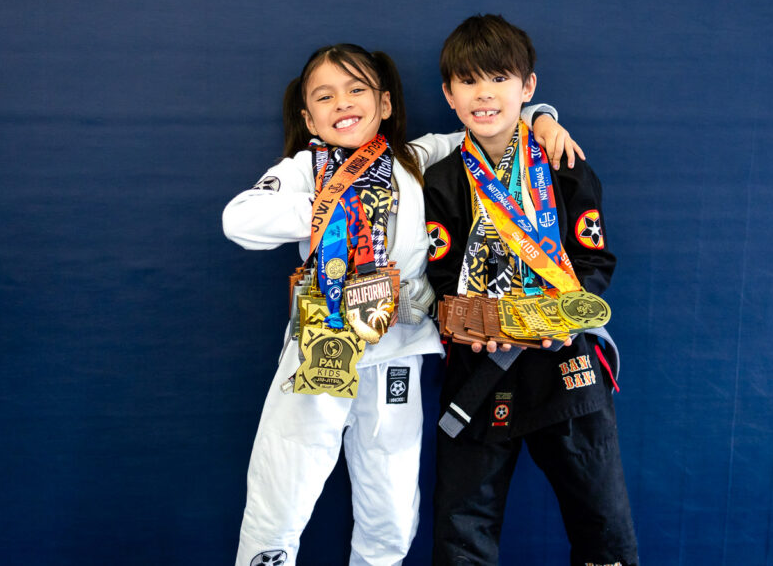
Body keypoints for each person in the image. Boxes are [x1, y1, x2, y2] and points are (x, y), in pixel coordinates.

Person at [222, 42, 581, 566]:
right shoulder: (306, 169)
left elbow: (486, 124)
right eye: (325, 96)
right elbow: (240, 219)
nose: (342, 103)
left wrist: (541, 117)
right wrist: (334, 206)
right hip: (321, 350)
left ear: (385, 104)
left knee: (390, 507)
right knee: (283, 488)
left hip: (397, 350)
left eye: (356, 90)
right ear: (309, 117)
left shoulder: (417, 157)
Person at [423, 15, 639, 566]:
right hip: (481, 369)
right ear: (449, 95)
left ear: (528, 87)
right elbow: (443, 280)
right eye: (468, 81)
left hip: (565, 362)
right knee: (460, 531)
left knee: (603, 525)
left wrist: (566, 315)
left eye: (498, 77)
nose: (485, 93)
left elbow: (595, 259)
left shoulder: (564, 163)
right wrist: (471, 322)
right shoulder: (443, 180)